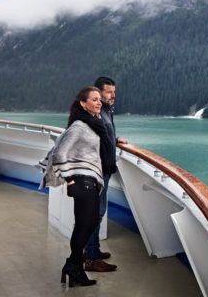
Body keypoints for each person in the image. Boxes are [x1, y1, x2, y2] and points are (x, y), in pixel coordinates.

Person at [39, 87, 106, 287]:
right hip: (82, 182)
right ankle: (74, 266)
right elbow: (60, 153)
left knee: (90, 223)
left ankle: (73, 264)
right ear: (83, 104)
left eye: (99, 99)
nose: (99, 102)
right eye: (94, 99)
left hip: (91, 181)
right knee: (84, 226)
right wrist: (69, 179)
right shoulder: (79, 126)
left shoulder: (93, 124)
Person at [84, 76, 127, 272]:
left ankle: (93, 250)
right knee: (95, 213)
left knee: (97, 213)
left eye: (114, 92)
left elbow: (104, 133)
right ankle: (91, 258)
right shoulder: (94, 112)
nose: (113, 95)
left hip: (105, 169)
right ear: (98, 92)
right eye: (109, 92)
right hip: (97, 171)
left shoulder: (107, 111)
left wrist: (115, 139)